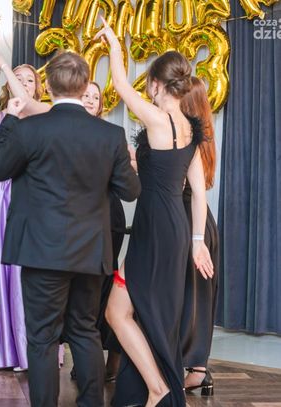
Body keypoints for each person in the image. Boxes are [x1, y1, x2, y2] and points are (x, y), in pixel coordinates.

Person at [0, 51, 141, 407]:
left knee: (42, 338)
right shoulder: (110, 134)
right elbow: (131, 190)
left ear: (49, 85)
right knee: (85, 331)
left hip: (41, 252)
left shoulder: (29, 129)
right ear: (85, 85)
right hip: (90, 252)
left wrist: (9, 119)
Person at [96, 19, 214, 407]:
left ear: (157, 85)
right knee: (144, 312)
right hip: (174, 229)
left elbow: (119, 84)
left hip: (153, 228)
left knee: (118, 312)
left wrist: (114, 43)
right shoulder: (192, 129)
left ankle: (158, 389)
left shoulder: (157, 118)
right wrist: (197, 241)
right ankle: (156, 388)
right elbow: (198, 193)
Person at [0, 55, 52, 371]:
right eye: (19, 79)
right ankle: (2, 343)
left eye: (30, 79)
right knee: (0, 268)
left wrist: (8, 67)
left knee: (24, 273)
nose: (24, 83)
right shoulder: (0, 119)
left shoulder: (44, 114)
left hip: (28, 196)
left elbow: (28, 103)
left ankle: (27, 347)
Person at [82, 81, 127, 381]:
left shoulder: (110, 134)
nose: (90, 99)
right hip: (77, 220)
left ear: (100, 105)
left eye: (95, 97)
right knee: (81, 290)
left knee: (103, 288)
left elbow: (126, 183)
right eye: (85, 94)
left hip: (108, 217)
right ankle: (87, 358)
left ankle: (110, 359)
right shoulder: (63, 130)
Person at [179, 77, 219, 396]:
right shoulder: (204, 134)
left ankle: (196, 368)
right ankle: (198, 366)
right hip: (202, 222)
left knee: (192, 294)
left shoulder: (187, 136)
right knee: (198, 295)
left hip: (190, 220)